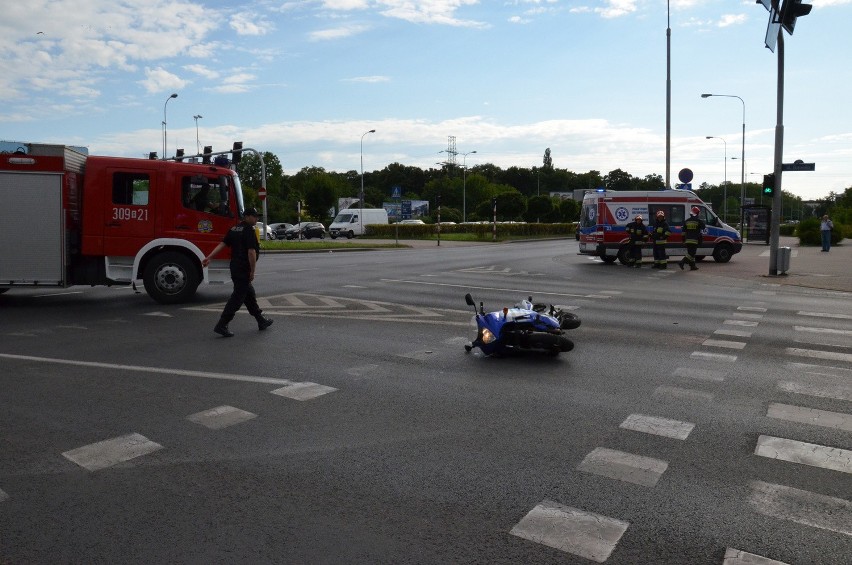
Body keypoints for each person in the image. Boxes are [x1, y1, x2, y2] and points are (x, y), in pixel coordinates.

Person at [202, 207, 273, 337]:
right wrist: (252, 271)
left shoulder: (234, 229)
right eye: (254, 216)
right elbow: (251, 252)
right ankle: (222, 325)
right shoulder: (248, 230)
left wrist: (210, 257)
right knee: (237, 298)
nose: (257, 218)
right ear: (246, 217)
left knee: (249, 294)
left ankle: (261, 320)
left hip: (235, 267)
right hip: (243, 268)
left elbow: (223, 244)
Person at [679, 206, 705, 271]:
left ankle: (692, 266)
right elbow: (703, 227)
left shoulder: (686, 221)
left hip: (687, 240)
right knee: (691, 254)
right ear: (697, 213)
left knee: (691, 253)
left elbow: (683, 232)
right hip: (694, 240)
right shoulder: (698, 221)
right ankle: (682, 262)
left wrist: (683, 240)